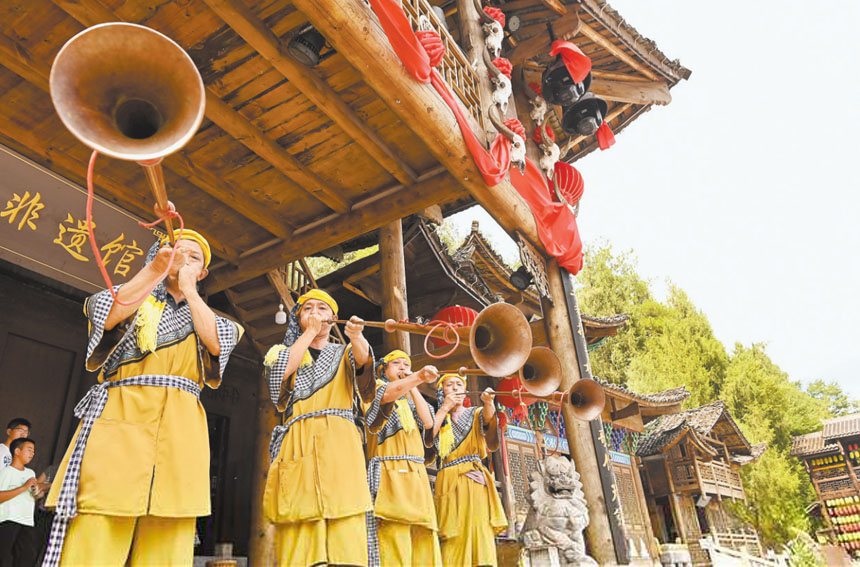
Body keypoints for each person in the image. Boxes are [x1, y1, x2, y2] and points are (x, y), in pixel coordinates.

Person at [44, 228, 244, 566]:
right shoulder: (128, 295)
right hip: (120, 417)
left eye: (194, 258)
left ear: (203, 273)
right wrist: (155, 271)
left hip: (181, 429)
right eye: (177, 251)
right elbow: (108, 313)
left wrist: (190, 290)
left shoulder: (220, 322)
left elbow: (217, 344)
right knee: (100, 516)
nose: (184, 259)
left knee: (171, 524)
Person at [263, 289, 376, 566]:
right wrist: (307, 334)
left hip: (340, 444)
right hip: (298, 441)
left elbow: (364, 365)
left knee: (346, 519)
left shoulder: (345, 351)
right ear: (298, 318)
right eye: (307, 309)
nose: (315, 313)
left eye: (322, 309)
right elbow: (278, 378)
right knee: (300, 527)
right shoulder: (282, 353)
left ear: (333, 318)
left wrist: (357, 336)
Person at [363, 350, 441, 566]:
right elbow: (387, 397)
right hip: (388, 466)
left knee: (422, 531)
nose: (402, 367)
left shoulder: (413, 401)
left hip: (416, 472)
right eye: (396, 363)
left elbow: (428, 423)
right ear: (383, 369)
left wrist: (414, 384)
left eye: (406, 364)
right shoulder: (375, 390)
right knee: (392, 531)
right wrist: (414, 378)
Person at [433, 374, 508, 566]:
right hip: (448, 478)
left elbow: (488, 419)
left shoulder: (475, 412)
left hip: (473, 477)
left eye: (459, 385)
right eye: (450, 385)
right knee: (451, 532)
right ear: (442, 391)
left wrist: (489, 402)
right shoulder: (439, 417)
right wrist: (443, 409)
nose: (455, 388)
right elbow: (428, 441)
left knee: (478, 527)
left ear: (466, 391)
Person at [0, 438, 37, 567]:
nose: (32, 454)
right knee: (5, 558)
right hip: (8, 520)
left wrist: (37, 493)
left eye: (33, 451)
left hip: (26, 520)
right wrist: (23, 487)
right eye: (29, 450)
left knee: (27, 557)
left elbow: (31, 495)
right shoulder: (6, 472)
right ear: (17, 451)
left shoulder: (31, 473)